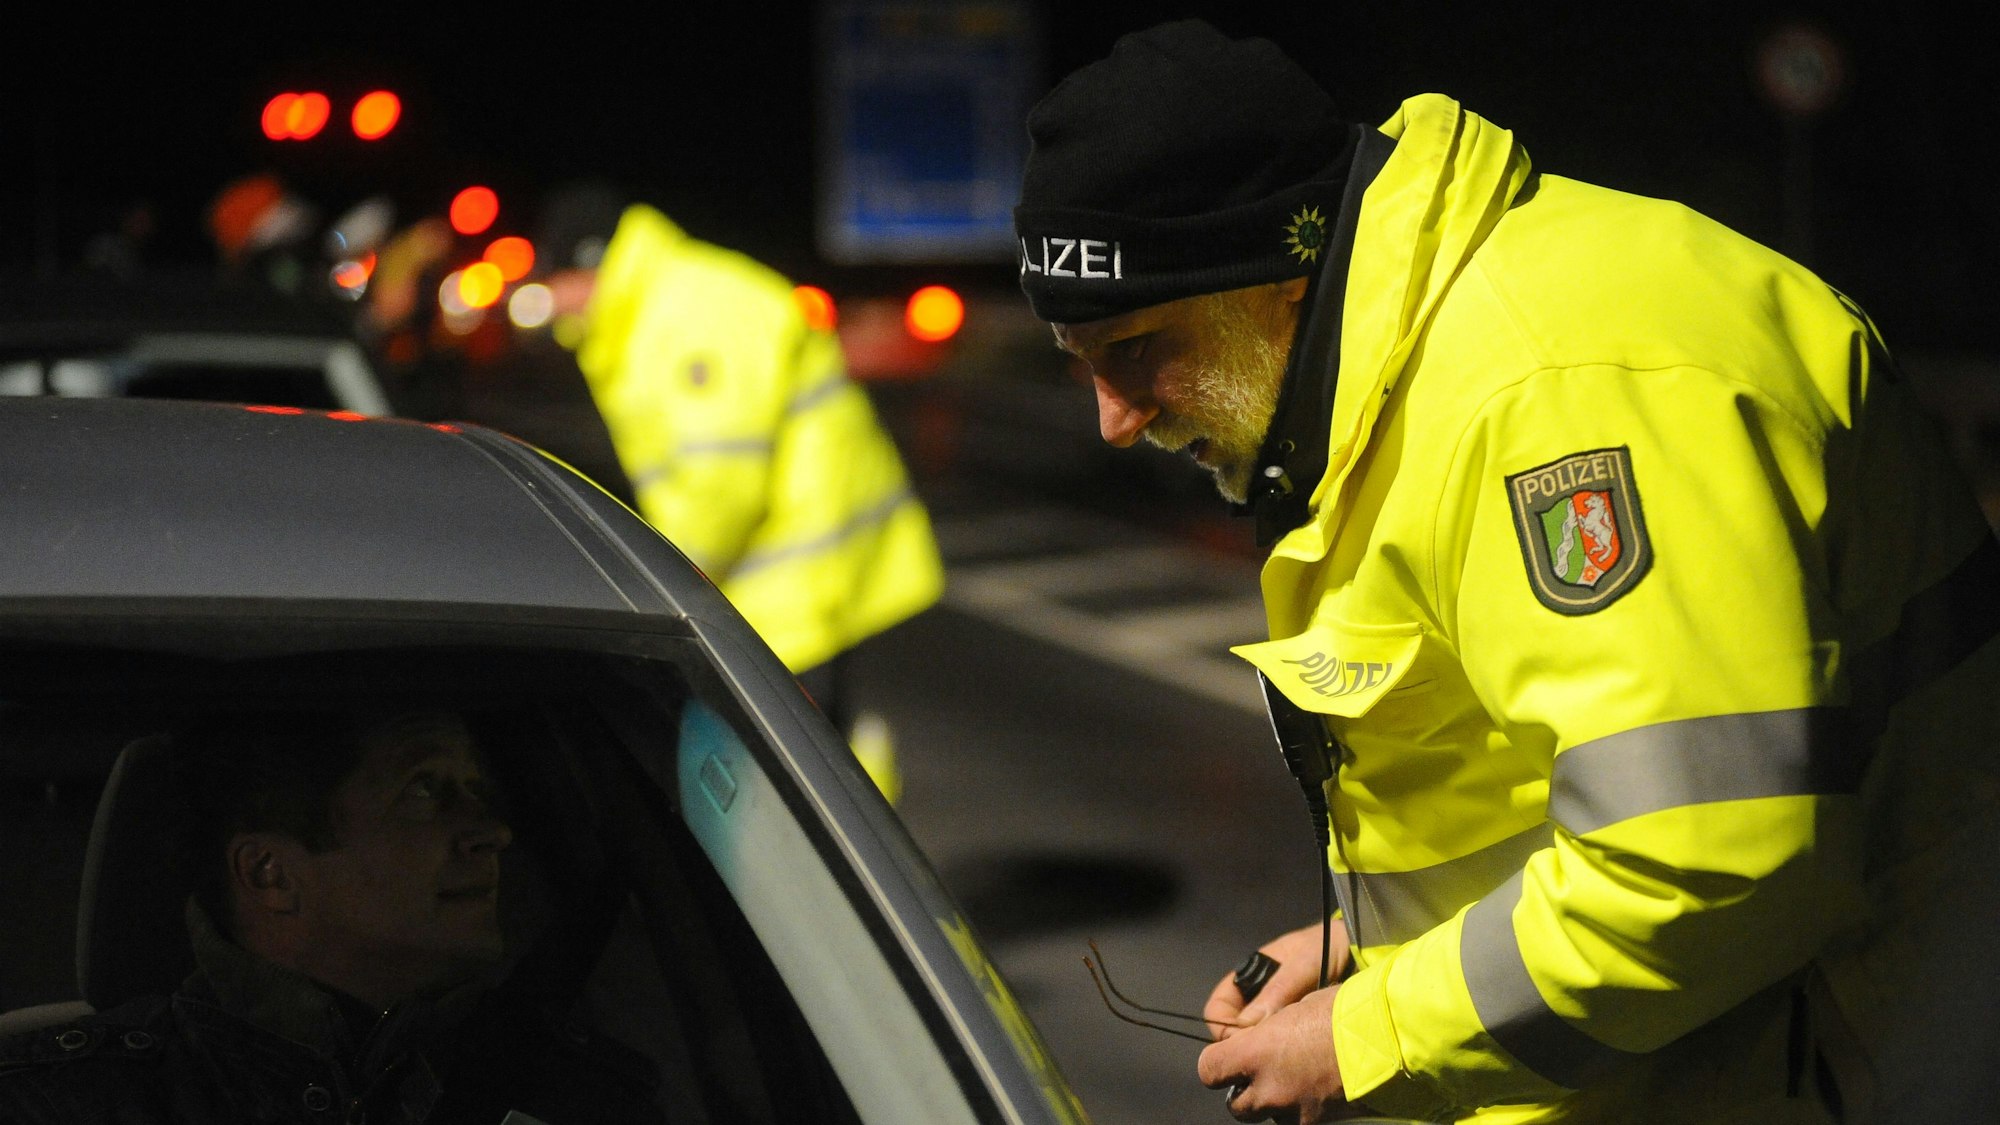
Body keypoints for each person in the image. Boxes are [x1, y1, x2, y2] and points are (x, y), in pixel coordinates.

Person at [1015, 19, 2000, 1125]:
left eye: (1137, 348)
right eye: (1081, 365)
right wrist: (1377, 952)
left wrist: (1373, 1032)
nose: (1113, 417)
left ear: (1274, 277)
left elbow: (1701, 862)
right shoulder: (1402, 361)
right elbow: (1548, 780)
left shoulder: (1555, 401)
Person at [0, 706, 666, 1124]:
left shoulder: (578, 1094)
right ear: (271, 875)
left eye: (476, 789)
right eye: (425, 791)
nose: (492, 830)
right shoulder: (59, 1102)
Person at [535, 185, 946, 802]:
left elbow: (720, 482)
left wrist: (664, 582)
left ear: (588, 267)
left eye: (555, 285)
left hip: (795, 584)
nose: (553, 306)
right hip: (790, 577)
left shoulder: (684, 314)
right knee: (820, 765)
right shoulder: (661, 302)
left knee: (798, 788)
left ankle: (850, 890)